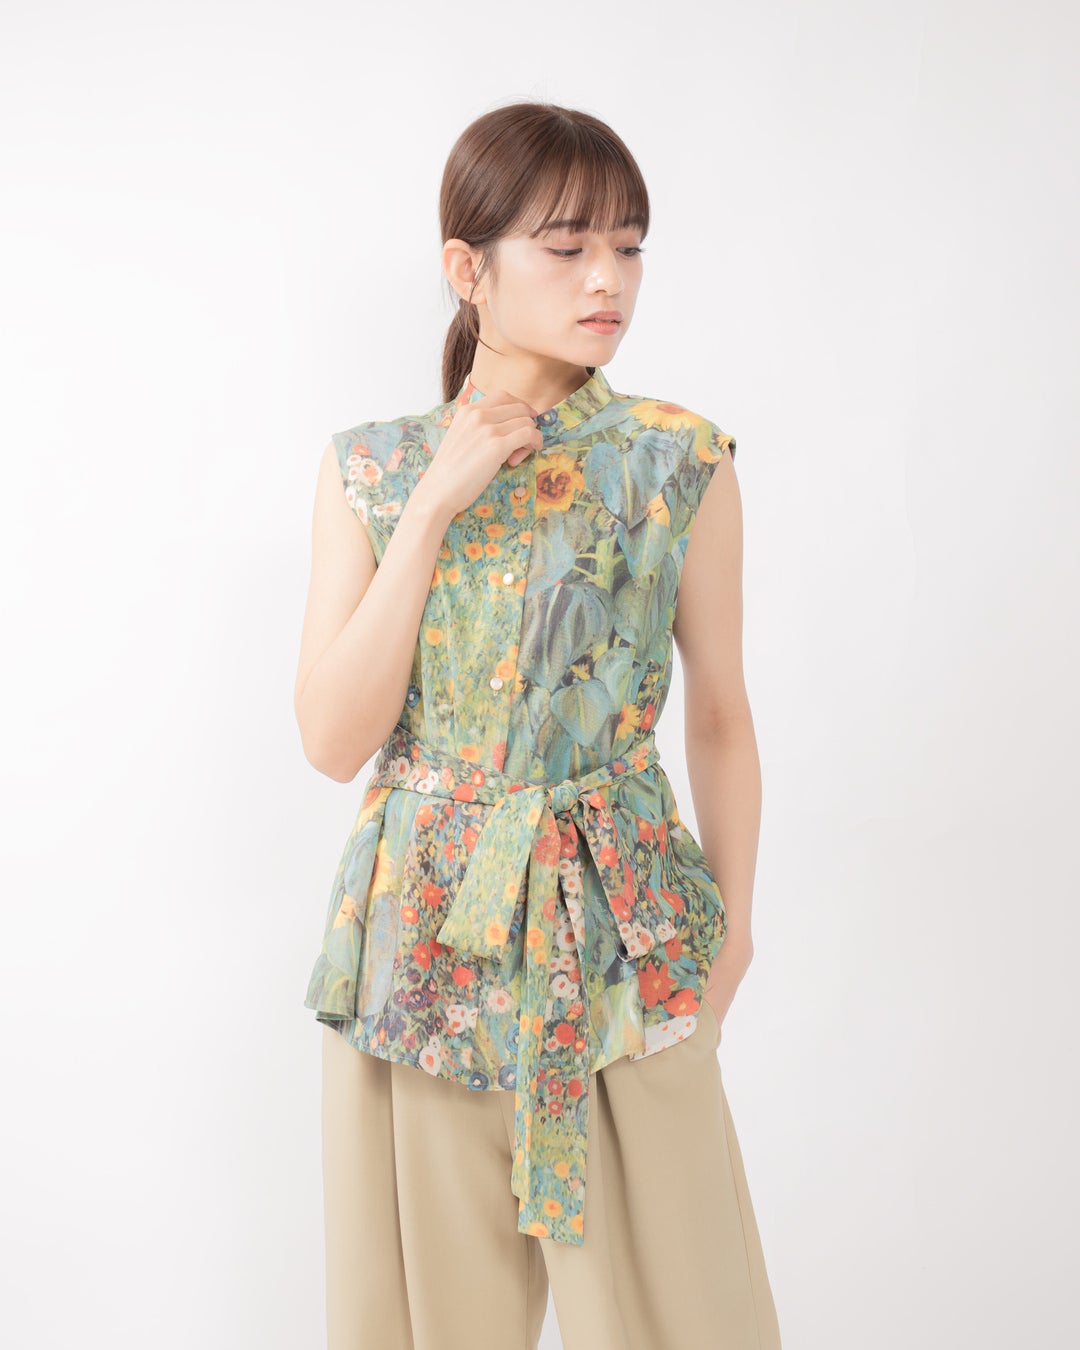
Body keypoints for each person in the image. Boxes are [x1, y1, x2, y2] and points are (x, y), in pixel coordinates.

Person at [294, 100, 782, 1350]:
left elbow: (721, 714)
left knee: (691, 1318)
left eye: (628, 245)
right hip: (423, 948)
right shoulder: (373, 470)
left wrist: (732, 935)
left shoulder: (679, 461)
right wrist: (433, 508)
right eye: (567, 248)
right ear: (469, 269)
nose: (607, 278)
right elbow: (334, 740)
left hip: (625, 934)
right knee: (430, 1327)